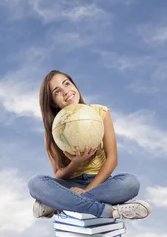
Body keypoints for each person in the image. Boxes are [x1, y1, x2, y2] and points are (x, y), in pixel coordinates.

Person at [28, 70, 152, 220]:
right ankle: (110, 212)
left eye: (67, 83)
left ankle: (57, 204)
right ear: (53, 103)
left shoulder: (100, 112)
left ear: (74, 84)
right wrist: (76, 162)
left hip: (102, 183)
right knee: (35, 183)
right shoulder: (54, 129)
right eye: (57, 92)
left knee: (131, 183)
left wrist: (87, 191)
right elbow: (58, 174)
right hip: (70, 185)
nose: (66, 91)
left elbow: (112, 160)